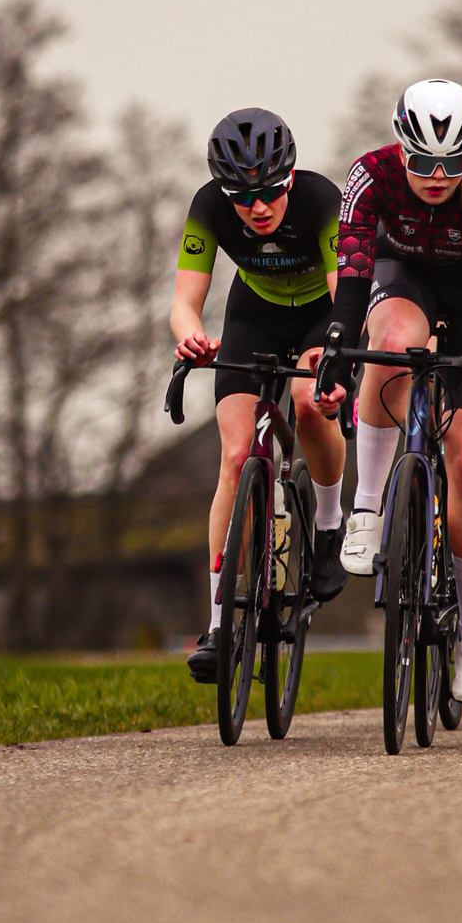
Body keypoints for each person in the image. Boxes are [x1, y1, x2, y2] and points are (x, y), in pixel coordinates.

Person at [315, 78, 462, 706]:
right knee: (387, 345)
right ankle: (368, 507)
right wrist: (337, 350)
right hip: (405, 280)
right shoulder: (371, 176)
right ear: (400, 148)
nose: (436, 175)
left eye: (450, 163)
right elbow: (355, 276)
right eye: (422, 162)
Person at [171, 107, 346, 682]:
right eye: (242, 197)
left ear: (291, 177)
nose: (258, 207)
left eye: (271, 191)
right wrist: (189, 334)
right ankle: (221, 625)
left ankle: (327, 523)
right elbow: (184, 301)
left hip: (323, 315)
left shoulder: (323, 201)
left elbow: (345, 293)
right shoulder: (208, 207)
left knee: (302, 400)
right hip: (255, 314)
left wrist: (332, 354)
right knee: (233, 456)